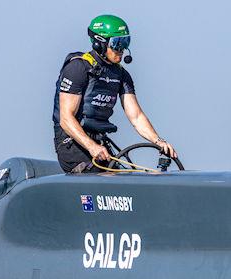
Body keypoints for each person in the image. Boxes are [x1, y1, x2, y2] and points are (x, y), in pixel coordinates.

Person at [52, 14, 177, 173]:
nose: (122, 49)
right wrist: (91, 147)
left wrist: (158, 141)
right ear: (99, 43)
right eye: (117, 43)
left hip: (100, 143)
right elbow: (65, 118)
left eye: (125, 42)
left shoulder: (121, 75)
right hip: (72, 144)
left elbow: (136, 116)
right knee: (106, 178)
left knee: (125, 177)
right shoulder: (78, 68)